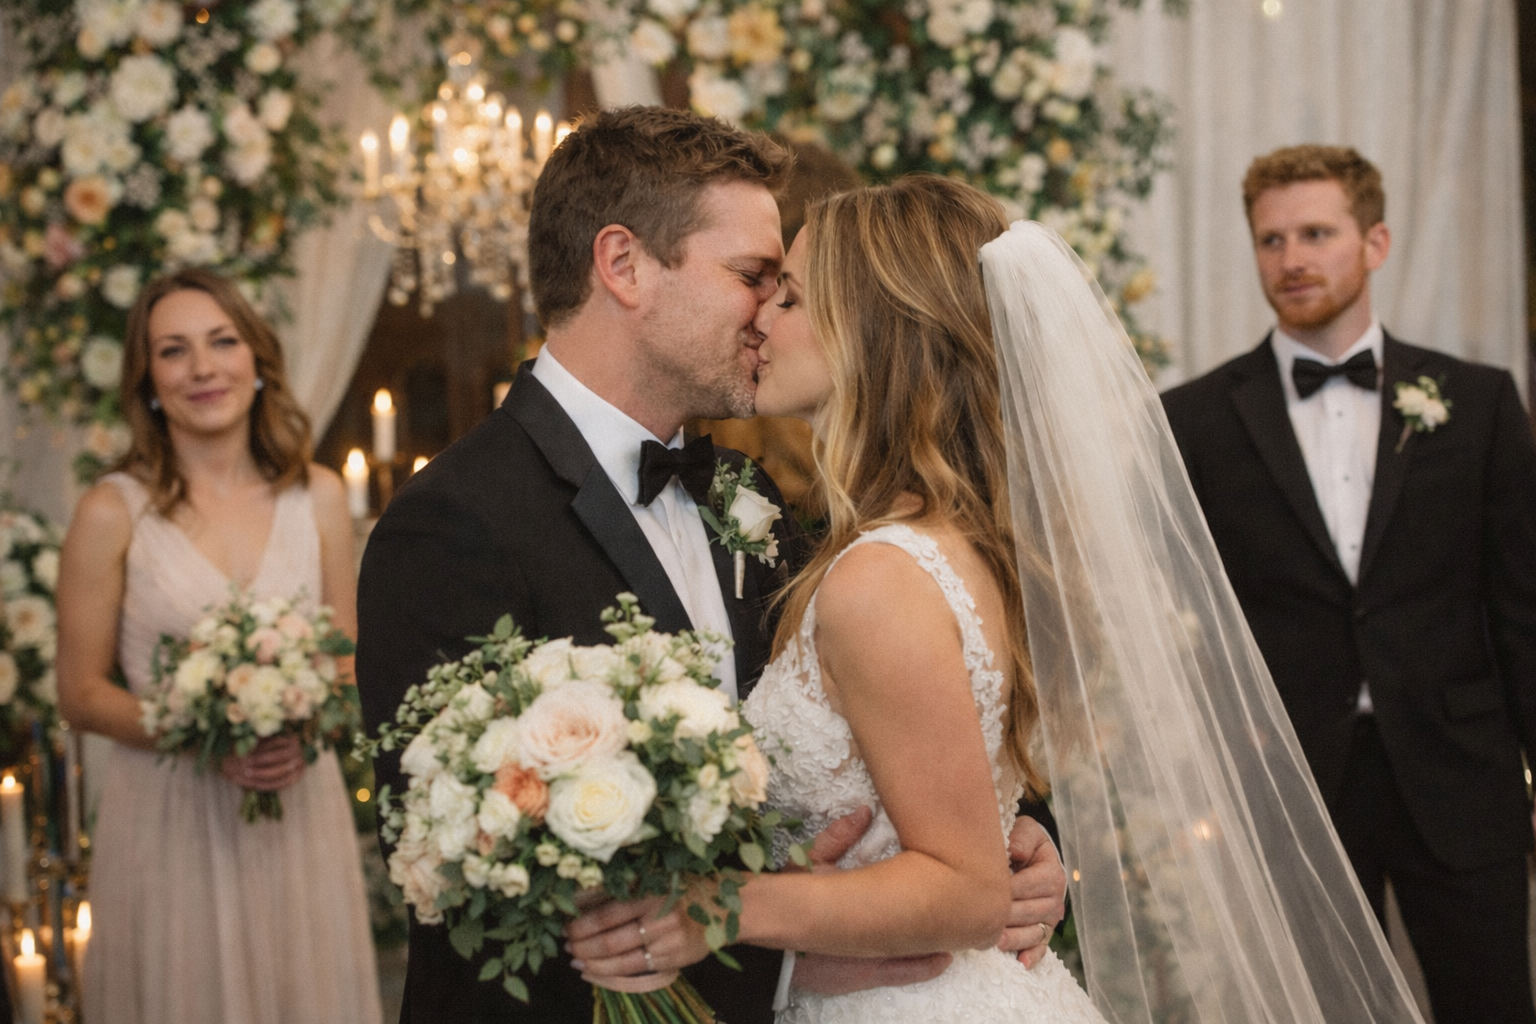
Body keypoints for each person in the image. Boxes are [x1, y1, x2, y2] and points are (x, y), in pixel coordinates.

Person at [569, 176, 1432, 1024]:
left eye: (789, 297)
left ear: (871, 331)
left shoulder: (883, 574)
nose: (761, 318)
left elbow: (965, 888)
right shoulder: (949, 539)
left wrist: (718, 908)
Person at [355, 107, 1066, 1024]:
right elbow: (459, 871)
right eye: (751, 276)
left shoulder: (744, 494)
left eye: (783, 289)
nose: (767, 311)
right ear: (624, 266)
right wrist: (783, 965)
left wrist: (1018, 841)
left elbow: (904, 718)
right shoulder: (454, 523)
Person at [1161, 145, 1536, 1024]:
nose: (1291, 259)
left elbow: (1521, 606)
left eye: (1316, 234)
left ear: (1376, 242)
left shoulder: (1477, 401)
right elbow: (1189, 615)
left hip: (1461, 770)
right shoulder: (1192, 419)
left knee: (1494, 1003)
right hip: (1294, 780)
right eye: (1272, 240)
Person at [55, 268, 382, 1023]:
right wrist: (201, 734)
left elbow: (345, 662)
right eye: (173, 351)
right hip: (169, 818)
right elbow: (80, 693)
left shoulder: (318, 496)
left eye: (222, 342)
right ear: (147, 382)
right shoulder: (112, 511)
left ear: (258, 361)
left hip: (297, 812)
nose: (202, 368)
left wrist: (305, 727)